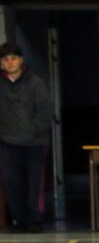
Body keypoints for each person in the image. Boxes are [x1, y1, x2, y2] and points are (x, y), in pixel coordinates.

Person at [0, 42, 53, 233]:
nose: (10, 62)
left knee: (34, 184)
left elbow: (46, 112)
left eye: (13, 58)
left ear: (20, 60)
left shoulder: (35, 82)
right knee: (10, 181)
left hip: (34, 143)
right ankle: (19, 220)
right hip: (8, 143)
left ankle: (35, 220)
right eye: (5, 59)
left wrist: (33, 130)